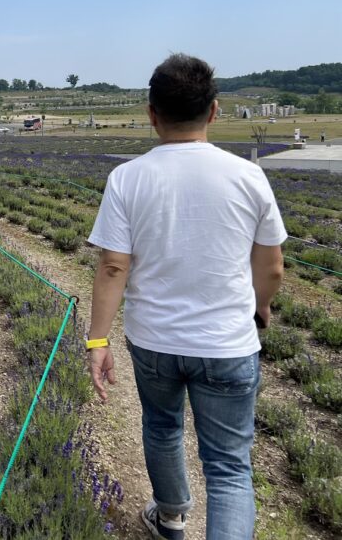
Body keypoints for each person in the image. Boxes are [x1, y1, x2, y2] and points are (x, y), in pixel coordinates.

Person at [85, 54, 285, 540]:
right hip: (227, 342)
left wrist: (98, 341)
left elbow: (113, 267)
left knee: (162, 427)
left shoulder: (127, 178)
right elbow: (272, 266)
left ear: (152, 114)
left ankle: (171, 517)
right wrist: (260, 306)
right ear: (213, 111)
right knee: (229, 468)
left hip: (155, 341)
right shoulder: (248, 176)